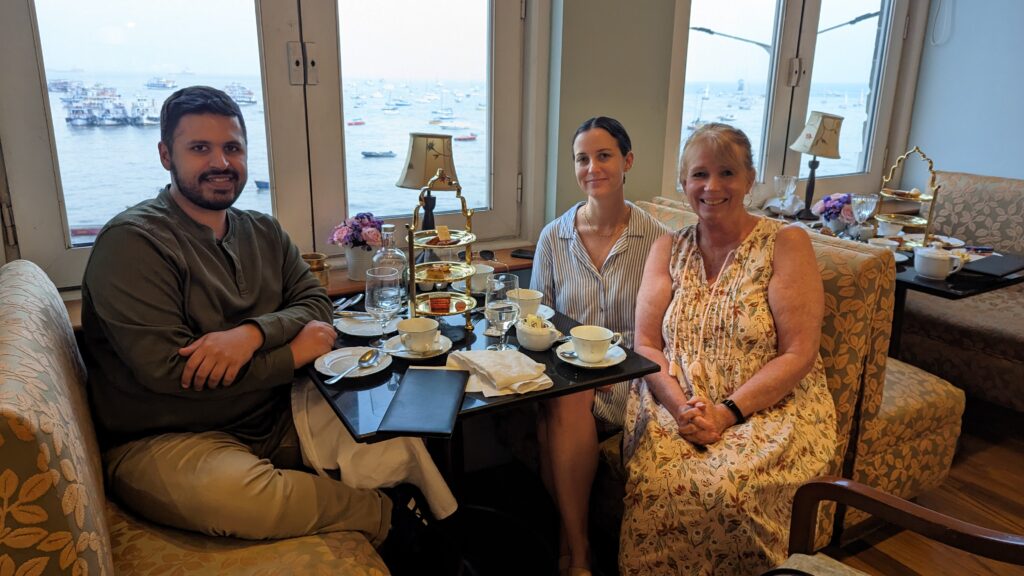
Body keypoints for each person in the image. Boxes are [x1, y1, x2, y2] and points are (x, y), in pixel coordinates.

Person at [81, 86, 456, 570]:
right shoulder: (133, 243)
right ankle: (387, 517)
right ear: (164, 155)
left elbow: (315, 302)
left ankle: (444, 531)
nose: (221, 162)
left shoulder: (262, 230)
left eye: (232, 147)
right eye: (200, 148)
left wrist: (251, 335)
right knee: (230, 496)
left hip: (273, 411)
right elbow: (169, 374)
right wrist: (289, 355)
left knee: (397, 422)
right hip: (167, 437)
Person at [619, 123, 837, 574]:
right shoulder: (667, 248)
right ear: (683, 185)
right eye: (699, 174)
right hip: (672, 398)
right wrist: (682, 409)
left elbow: (799, 353)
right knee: (659, 482)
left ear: (749, 179)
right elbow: (646, 344)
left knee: (727, 488)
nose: (712, 186)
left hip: (769, 407)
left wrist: (726, 413)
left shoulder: (785, 242)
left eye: (727, 173)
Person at [531, 116, 668, 576]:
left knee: (558, 412)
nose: (593, 167)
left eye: (604, 155)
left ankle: (573, 550)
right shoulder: (554, 237)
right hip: (567, 371)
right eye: (582, 158)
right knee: (561, 399)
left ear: (627, 162)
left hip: (630, 376)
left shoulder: (657, 240)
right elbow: (537, 319)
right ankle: (579, 546)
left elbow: (663, 329)